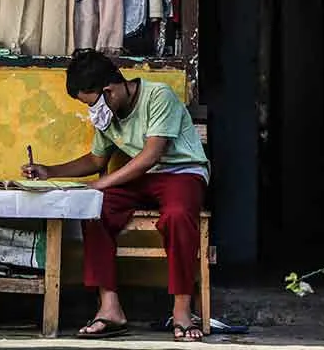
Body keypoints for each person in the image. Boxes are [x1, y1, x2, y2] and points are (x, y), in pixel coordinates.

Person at [22, 49, 210, 342]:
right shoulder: (107, 114)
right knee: (93, 209)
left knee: (177, 216)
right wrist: (49, 170)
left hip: (181, 173)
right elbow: (97, 161)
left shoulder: (158, 96)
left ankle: (183, 311)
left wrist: (101, 184)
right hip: (141, 180)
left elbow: (150, 156)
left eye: (92, 103)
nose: (92, 112)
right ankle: (110, 309)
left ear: (109, 91)